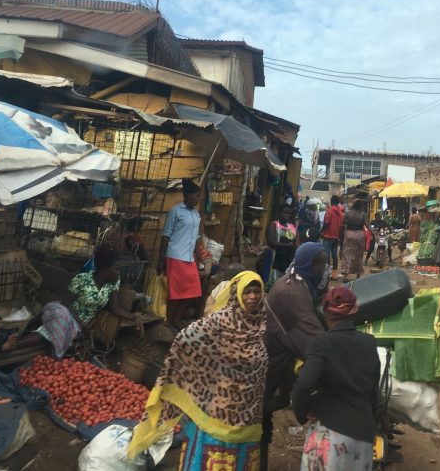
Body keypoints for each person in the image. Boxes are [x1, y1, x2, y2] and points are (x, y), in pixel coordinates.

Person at [128, 271, 266, 470]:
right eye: (247, 292)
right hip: (214, 416)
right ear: (236, 293)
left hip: (247, 419)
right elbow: (185, 340)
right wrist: (197, 374)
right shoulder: (219, 322)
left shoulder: (261, 323)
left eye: (257, 291)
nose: (252, 297)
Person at [292, 286, 380, 471]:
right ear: (353, 311)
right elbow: (373, 389)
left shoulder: (322, 343)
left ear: (325, 314)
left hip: (331, 433)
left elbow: (303, 386)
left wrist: (303, 412)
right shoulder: (369, 342)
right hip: (363, 436)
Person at [261, 242, 328, 470]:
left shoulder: (296, 280)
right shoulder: (292, 294)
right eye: (321, 266)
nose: (324, 272)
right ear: (309, 265)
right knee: (261, 420)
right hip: (270, 365)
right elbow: (313, 341)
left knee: (263, 420)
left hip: (275, 359)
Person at [13, 244, 143, 355]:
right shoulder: (81, 279)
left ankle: (13, 344)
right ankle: (14, 345)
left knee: (56, 328)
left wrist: (133, 317)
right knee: (57, 325)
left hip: (80, 325)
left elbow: (116, 308)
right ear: (105, 268)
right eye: (116, 268)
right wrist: (82, 324)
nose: (118, 272)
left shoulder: (113, 282)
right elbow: (66, 304)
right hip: (67, 314)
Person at [160, 182, 207, 331]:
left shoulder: (196, 214)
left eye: (199, 196)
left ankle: (176, 318)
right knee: (176, 294)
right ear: (187, 195)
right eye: (196, 195)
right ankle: (169, 321)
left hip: (189, 258)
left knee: (193, 292)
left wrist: (199, 257)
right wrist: (161, 260)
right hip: (175, 256)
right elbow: (166, 236)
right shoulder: (175, 211)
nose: (198, 199)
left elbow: (195, 238)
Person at [340, 199, 373, 282]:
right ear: (361, 206)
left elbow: (342, 225)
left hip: (349, 235)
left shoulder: (347, 214)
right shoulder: (363, 215)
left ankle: (346, 276)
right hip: (359, 236)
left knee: (347, 255)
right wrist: (374, 234)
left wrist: (341, 236)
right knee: (358, 255)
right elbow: (368, 226)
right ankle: (358, 276)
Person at [266, 204, 298, 284]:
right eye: (284, 213)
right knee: (273, 279)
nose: (286, 215)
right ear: (279, 213)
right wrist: (287, 245)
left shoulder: (292, 227)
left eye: (288, 213)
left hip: (288, 259)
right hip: (274, 257)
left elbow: (296, 241)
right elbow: (271, 242)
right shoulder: (273, 225)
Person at [321, 195, 344, 279]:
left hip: (328, 236)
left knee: (326, 255)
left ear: (332, 201)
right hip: (336, 237)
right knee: (334, 255)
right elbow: (342, 226)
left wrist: (321, 231)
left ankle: (326, 273)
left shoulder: (330, 211)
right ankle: (334, 274)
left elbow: (326, 222)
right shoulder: (341, 213)